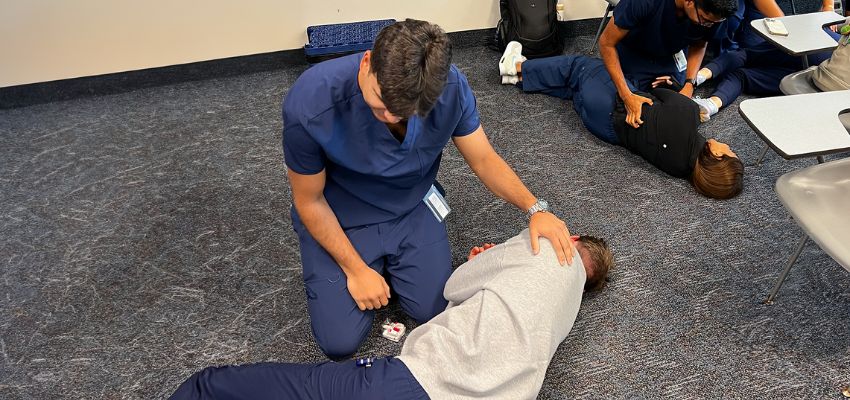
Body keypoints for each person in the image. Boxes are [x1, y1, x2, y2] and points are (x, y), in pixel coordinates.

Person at [282, 19, 574, 360]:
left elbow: (482, 159)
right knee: (339, 342)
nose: (389, 116)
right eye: (379, 101)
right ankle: (372, 264)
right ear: (366, 64)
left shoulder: (450, 87)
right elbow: (309, 200)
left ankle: (394, 260)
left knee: (436, 310)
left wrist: (535, 208)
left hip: (412, 205)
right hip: (342, 215)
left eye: (403, 111)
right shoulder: (311, 101)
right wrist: (357, 270)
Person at [169, 230, 614, 400]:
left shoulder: (544, 242)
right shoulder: (569, 308)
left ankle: (201, 390)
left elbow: (455, 287)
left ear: (569, 238)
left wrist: (485, 260)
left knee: (306, 391)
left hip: (426, 382)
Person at [499, 44, 744, 199]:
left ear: (717, 156)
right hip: (604, 130)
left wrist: (677, 88)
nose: (729, 146)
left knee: (582, 67)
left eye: (729, 151)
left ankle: (517, 66)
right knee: (574, 88)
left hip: (606, 106)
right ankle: (518, 80)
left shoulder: (688, 115)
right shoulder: (680, 170)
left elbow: (657, 91)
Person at [594, 0, 738, 128]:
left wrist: (689, 84)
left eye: (713, 23)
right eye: (705, 20)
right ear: (689, 2)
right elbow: (606, 43)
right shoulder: (643, 3)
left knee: (677, 103)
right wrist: (626, 95)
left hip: (670, 54)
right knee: (630, 109)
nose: (708, 26)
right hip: (633, 52)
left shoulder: (713, 15)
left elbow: (699, 45)